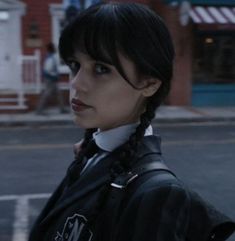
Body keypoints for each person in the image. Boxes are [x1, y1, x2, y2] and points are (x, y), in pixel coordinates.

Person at [29, 3, 235, 241]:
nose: (76, 83)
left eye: (100, 68)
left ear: (149, 84)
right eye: (75, 65)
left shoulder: (158, 193)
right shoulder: (90, 154)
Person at [36, 42, 67, 115]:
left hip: (52, 79)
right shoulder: (50, 58)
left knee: (58, 94)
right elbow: (47, 70)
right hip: (50, 79)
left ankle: (62, 109)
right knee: (47, 94)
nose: (56, 49)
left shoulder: (51, 57)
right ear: (52, 49)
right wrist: (55, 75)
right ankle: (39, 110)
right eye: (54, 47)